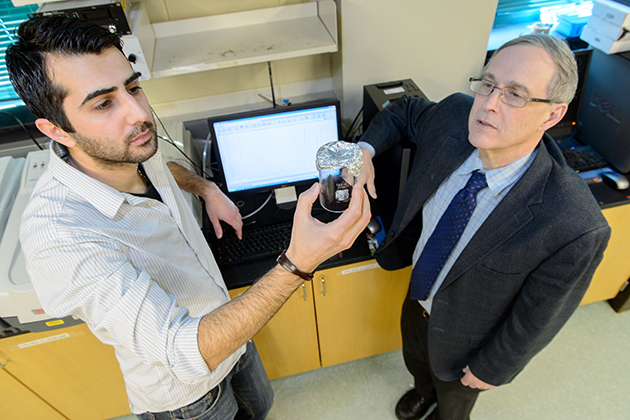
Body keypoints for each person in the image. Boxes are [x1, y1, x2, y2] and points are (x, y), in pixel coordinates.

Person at [6, 16, 370, 419]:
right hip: (186, 395)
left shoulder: (128, 145)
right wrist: (298, 261)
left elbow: (164, 167)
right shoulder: (60, 236)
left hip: (233, 337)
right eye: (104, 103)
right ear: (56, 130)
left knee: (261, 408)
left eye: (134, 88)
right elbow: (182, 351)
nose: (138, 114)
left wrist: (205, 189)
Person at [357, 34, 610, 420]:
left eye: (514, 94)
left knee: (455, 403)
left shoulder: (574, 224)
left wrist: (494, 368)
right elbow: (404, 109)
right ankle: (422, 391)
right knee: (418, 362)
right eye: (488, 84)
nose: (488, 105)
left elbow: (540, 315)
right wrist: (365, 150)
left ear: (553, 114)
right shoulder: (455, 117)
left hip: (470, 337)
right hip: (419, 296)